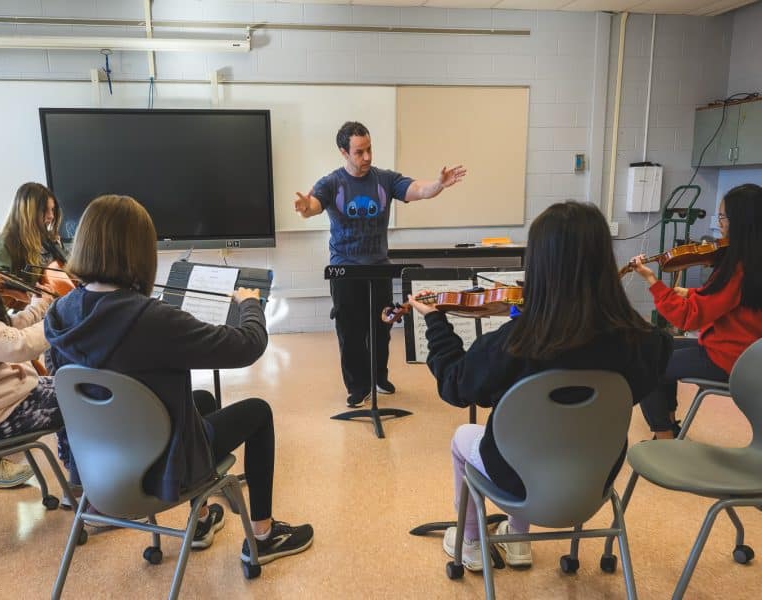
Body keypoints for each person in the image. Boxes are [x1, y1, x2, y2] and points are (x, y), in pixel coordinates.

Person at [45, 195, 314, 560]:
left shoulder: (60, 312)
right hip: (162, 467)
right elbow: (248, 345)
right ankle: (264, 537)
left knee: (202, 399)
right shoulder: (152, 320)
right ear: (138, 251)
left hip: (100, 465)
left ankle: (201, 520)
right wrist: (250, 304)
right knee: (259, 412)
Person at [408, 201, 672, 571]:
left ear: (540, 266)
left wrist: (436, 321)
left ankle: (470, 541)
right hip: (595, 480)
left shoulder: (516, 341)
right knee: (544, 435)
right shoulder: (644, 340)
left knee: (464, 437)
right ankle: (518, 542)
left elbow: (455, 385)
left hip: (516, 480)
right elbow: (644, 382)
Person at [295, 121, 467, 407]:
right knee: (350, 331)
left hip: (379, 267)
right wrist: (305, 208)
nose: (367, 157)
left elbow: (418, 190)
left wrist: (438, 185)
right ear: (344, 152)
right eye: (359, 152)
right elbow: (312, 206)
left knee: (382, 325)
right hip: (345, 269)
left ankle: (379, 377)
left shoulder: (385, 179)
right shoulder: (332, 183)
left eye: (369, 149)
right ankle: (357, 386)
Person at [631, 183, 762, 439]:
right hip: (742, 352)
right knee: (660, 342)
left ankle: (664, 438)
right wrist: (691, 293)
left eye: (722, 217)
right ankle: (670, 424)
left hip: (728, 357)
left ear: (740, 222)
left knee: (646, 365)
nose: (719, 224)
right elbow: (727, 301)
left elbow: (688, 318)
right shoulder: (752, 261)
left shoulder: (737, 269)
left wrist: (652, 281)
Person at [0, 208, 76, 490]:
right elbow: (16, 346)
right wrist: (57, 322)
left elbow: (2, 331)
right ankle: (82, 483)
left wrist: (42, 307)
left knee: (75, 384)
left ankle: (83, 478)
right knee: (85, 398)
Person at [0, 182, 68, 286]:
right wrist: (31, 290)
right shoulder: (5, 244)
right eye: (44, 210)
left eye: (52, 210)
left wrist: (60, 250)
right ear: (27, 212)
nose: (51, 216)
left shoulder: (49, 239)